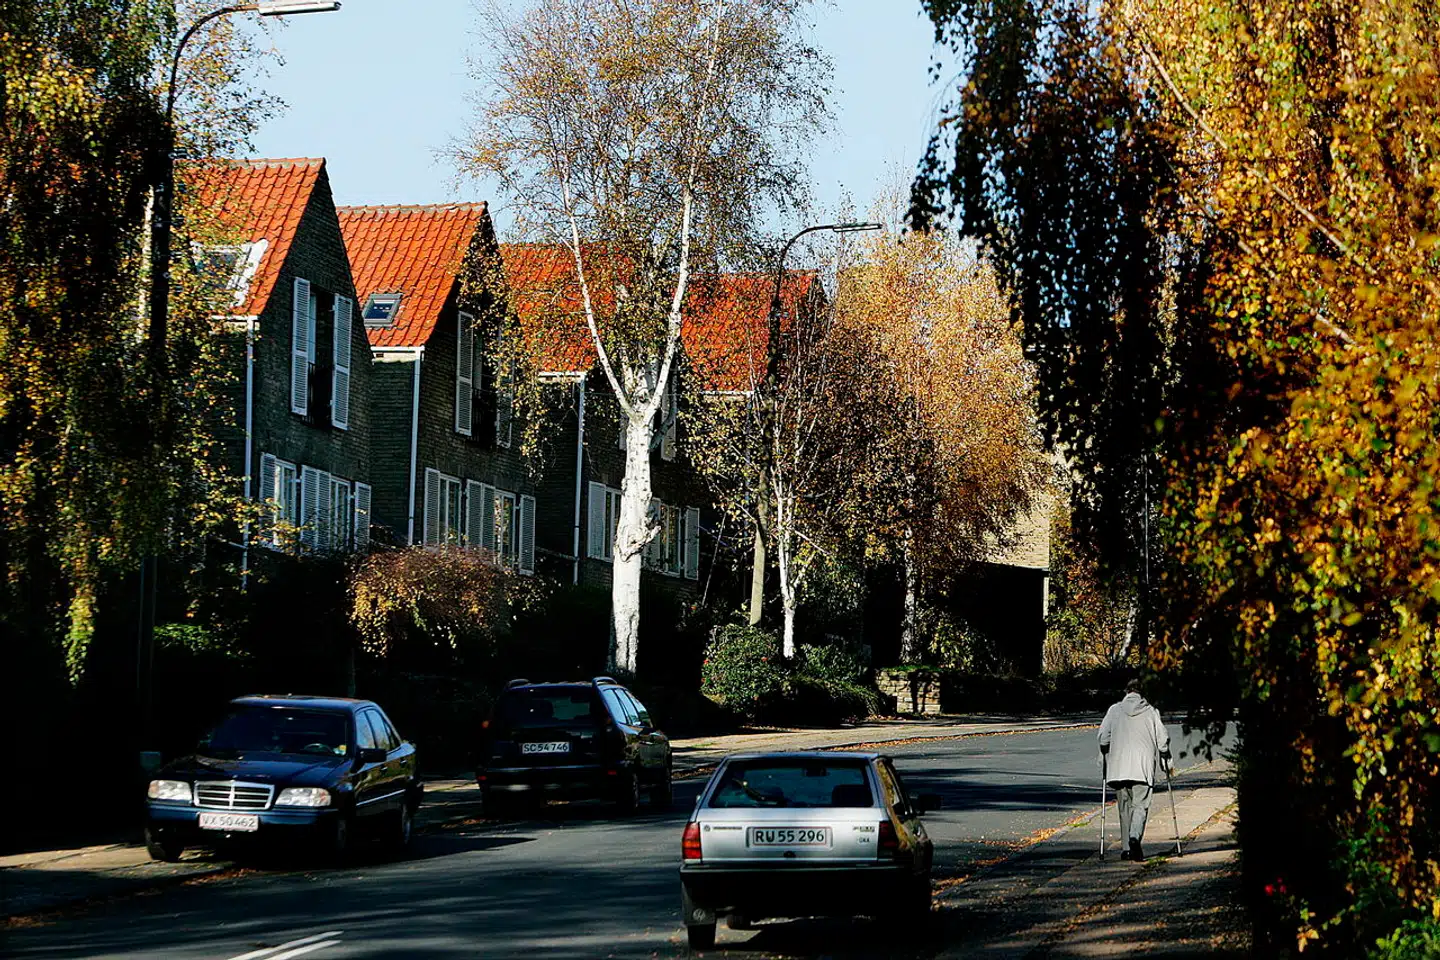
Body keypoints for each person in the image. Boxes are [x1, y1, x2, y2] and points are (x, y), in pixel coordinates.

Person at [1098, 677, 1171, 861]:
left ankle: (1126, 849)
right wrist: (1165, 757)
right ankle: (1134, 838)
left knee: (1124, 808)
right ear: (1142, 694)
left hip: (1118, 768)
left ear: (1126, 691)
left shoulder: (1114, 710)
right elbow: (1163, 742)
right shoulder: (1151, 712)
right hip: (1142, 768)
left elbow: (1103, 739)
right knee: (1140, 806)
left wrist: (1106, 751)